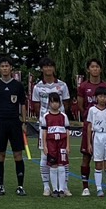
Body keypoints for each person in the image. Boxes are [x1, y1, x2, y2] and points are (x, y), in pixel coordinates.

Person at [28, 58, 70, 197]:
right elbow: (36, 106)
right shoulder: (38, 87)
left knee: (63, 156)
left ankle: (64, 186)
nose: (48, 69)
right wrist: (44, 119)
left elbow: (66, 103)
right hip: (46, 126)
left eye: (51, 66)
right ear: (42, 69)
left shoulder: (62, 85)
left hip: (61, 125)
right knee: (45, 156)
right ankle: (46, 186)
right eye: (45, 66)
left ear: (54, 68)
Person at [74, 59, 106, 196]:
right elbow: (80, 106)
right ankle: (85, 187)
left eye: (97, 66)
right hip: (90, 126)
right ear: (88, 69)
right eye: (92, 67)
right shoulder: (83, 86)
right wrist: (89, 117)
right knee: (86, 156)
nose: (95, 69)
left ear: (100, 69)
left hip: (105, 129)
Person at [0, 58, 27, 197]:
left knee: (18, 154)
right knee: (0, 154)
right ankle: (0, 186)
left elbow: (23, 104)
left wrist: (24, 122)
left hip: (15, 122)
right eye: (2, 66)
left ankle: (20, 186)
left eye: (7, 66)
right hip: (0, 122)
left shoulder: (18, 85)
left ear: (11, 68)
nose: (5, 68)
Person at [84, 87, 106, 197]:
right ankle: (99, 189)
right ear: (96, 97)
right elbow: (89, 127)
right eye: (100, 96)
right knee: (98, 163)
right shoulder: (92, 110)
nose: (103, 99)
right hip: (97, 136)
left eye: (105, 96)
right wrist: (89, 143)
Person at [39, 93, 70, 196]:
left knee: (62, 165)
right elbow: (44, 132)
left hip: (62, 143)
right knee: (53, 165)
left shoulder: (63, 116)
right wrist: (45, 146)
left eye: (56, 102)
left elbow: (67, 131)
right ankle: (55, 189)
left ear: (60, 103)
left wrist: (68, 145)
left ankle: (62, 189)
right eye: (52, 102)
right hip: (51, 144)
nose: (54, 104)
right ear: (49, 103)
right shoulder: (46, 116)